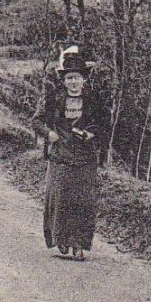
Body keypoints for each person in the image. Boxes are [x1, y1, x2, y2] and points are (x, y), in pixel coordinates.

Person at [37, 54, 105, 260]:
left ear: (83, 79)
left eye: (77, 77)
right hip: (60, 156)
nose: (73, 82)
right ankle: (61, 239)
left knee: (83, 201)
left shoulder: (94, 100)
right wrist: (49, 134)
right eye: (69, 78)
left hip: (85, 157)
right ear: (64, 80)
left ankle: (78, 245)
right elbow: (37, 121)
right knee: (59, 198)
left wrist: (92, 133)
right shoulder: (54, 98)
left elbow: (105, 123)